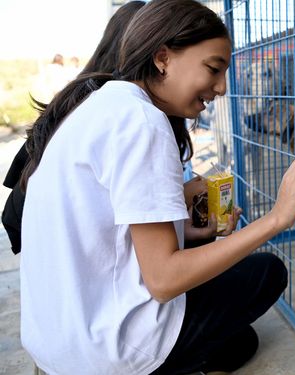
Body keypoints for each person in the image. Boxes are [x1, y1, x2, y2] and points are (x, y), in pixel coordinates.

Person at [19, 1, 295, 375]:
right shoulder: (143, 121)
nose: (222, 88)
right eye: (213, 69)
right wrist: (276, 219)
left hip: (56, 341)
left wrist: (184, 228)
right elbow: (164, 280)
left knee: (239, 342)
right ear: (163, 57)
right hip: (102, 351)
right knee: (267, 272)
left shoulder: (102, 104)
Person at [1, 1, 214, 255]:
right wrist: (182, 195)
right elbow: (109, 214)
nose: (219, 87)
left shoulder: (80, 103)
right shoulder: (132, 116)